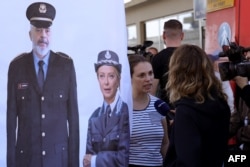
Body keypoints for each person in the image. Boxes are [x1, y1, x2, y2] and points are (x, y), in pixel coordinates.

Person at [6, 2, 79, 167]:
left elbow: (73, 120)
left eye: (47, 31)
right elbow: (11, 122)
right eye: (38, 30)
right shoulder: (16, 67)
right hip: (26, 160)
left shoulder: (66, 66)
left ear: (51, 34)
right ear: (30, 35)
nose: (43, 36)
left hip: (58, 160)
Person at [163, 44, 231, 167]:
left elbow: (188, 161)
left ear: (177, 73)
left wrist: (182, 125)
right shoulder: (221, 103)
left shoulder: (186, 111)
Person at [83, 50, 130, 167]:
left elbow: (123, 159)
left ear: (118, 79)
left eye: (111, 76)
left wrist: (95, 160)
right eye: (102, 76)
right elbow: (86, 161)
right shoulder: (94, 117)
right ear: (97, 79)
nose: (106, 82)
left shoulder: (125, 110)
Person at [128, 55, 169, 167]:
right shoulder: (121, 108)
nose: (148, 79)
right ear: (129, 77)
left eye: (150, 73)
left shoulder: (158, 105)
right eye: (141, 75)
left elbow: (164, 143)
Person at [151, 19, 184, 108]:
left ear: (164, 35)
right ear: (182, 35)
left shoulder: (157, 58)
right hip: (192, 109)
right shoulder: (193, 55)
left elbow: (152, 90)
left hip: (167, 110)